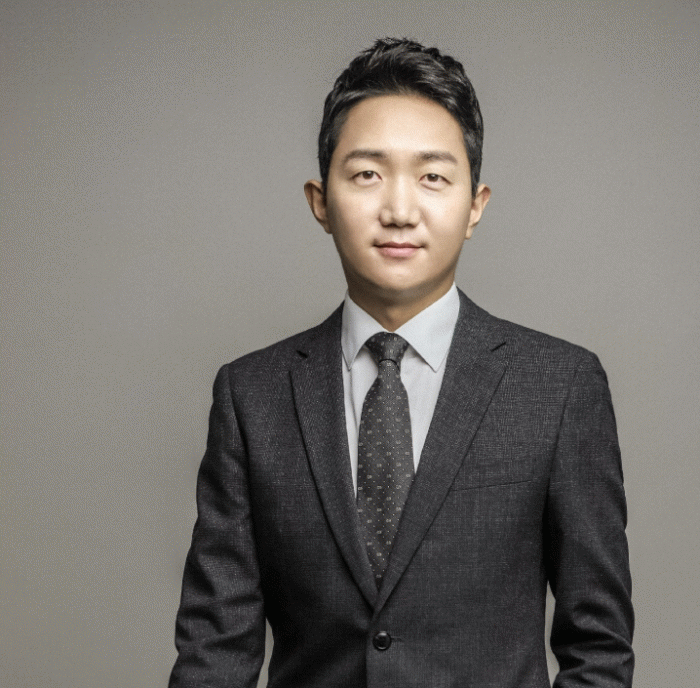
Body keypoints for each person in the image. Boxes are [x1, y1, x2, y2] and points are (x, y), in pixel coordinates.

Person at [169, 37, 634, 688]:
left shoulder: (558, 387)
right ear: (320, 201)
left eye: (433, 177)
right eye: (367, 174)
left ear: (475, 206)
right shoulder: (253, 395)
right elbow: (214, 654)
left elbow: (600, 649)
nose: (399, 210)